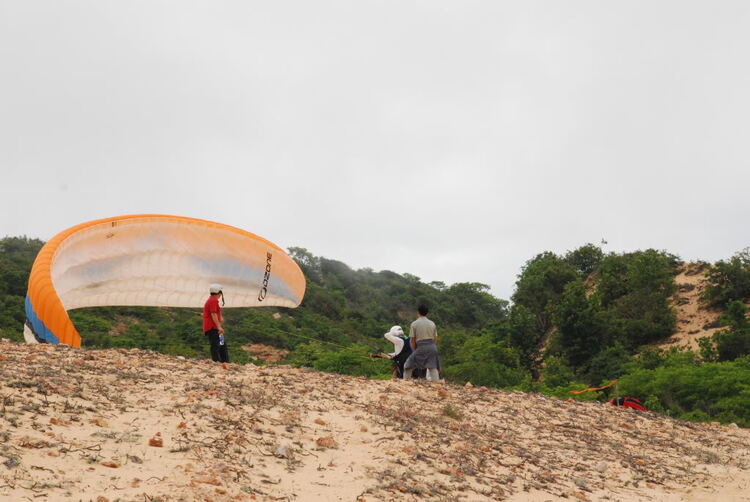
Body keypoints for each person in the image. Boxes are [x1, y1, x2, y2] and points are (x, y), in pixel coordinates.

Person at [403, 304, 440, 381]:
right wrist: (432, 346)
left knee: (408, 365)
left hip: (421, 346)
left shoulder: (414, 324)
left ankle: (405, 382)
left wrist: (415, 349)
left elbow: (413, 340)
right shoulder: (432, 323)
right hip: (432, 347)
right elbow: (436, 338)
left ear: (418, 312)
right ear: (427, 313)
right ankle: (437, 385)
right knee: (432, 366)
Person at [203, 283, 229, 363]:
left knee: (222, 344)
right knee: (215, 344)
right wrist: (219, 327)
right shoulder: (213, 301)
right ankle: (216, 361)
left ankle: (224, 361)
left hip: (215, 326)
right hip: (213, 327)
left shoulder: (212, 300)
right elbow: (213, 314)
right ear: (218, 292)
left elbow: (213, 313)